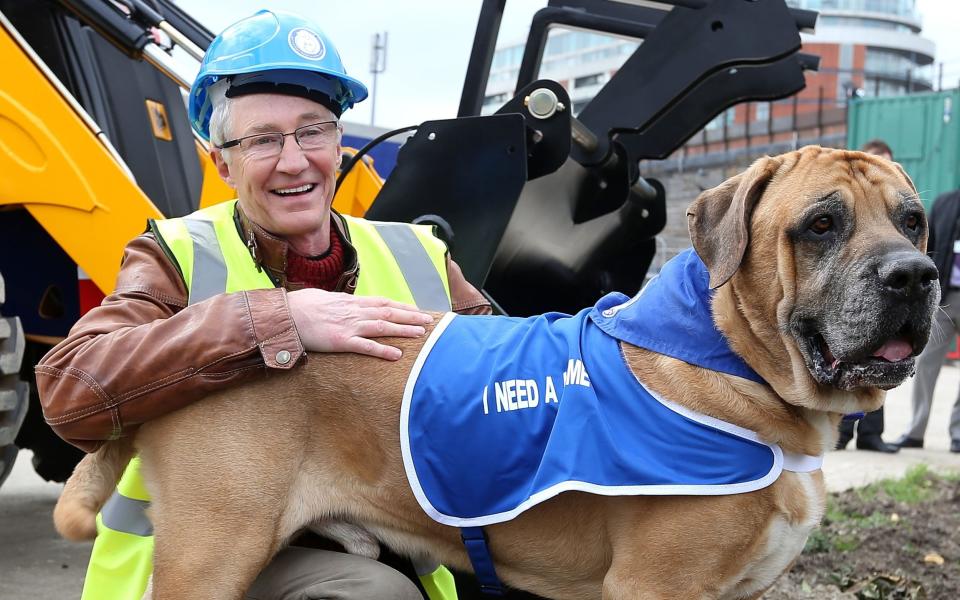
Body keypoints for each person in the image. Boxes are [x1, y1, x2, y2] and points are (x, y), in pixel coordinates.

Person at [36, 10, 490, 600]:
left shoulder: (418, 254)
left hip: (403, 539)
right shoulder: (177, 254)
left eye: (312, 130)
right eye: (263, 140)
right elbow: (71, 390)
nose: (294, 159)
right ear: (222, 163)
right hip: (197, 562)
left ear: (338, 141)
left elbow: (505, 382)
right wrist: (275, 321)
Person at [835, 139, 900, 453]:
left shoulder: (896, 196)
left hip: (893, 297)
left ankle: (871, 435)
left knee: (886, 363)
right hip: (857, 294)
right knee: (849, 360)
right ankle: (842, 433)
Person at [893, 174, 960, 454]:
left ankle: (958, 435)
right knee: (925, 365)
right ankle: (916, 431)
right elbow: (926, 247)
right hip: (945, 297)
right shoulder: (945, 204)